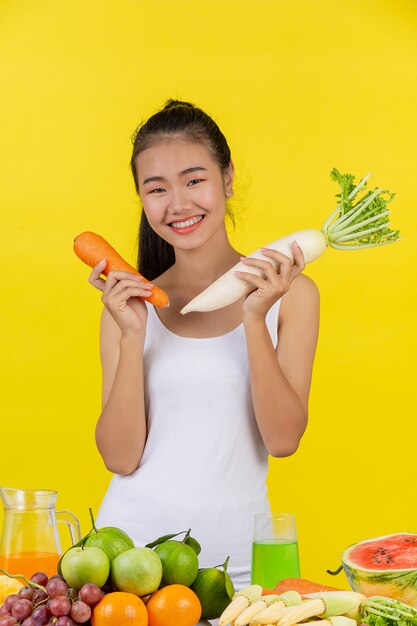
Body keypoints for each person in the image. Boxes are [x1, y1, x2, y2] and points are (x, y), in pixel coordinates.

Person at [89, 99, 320, 592]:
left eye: (194, 180)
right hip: (126, 568)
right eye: (156, 189)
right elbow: (119, 458)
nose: (177, 204)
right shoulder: (130, 308)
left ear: (227, 179)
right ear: (142, 200)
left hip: (235, 575)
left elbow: (283, 441)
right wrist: (132, 336)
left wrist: (254, 319)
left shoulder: (292, 296)